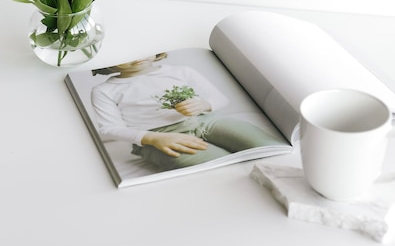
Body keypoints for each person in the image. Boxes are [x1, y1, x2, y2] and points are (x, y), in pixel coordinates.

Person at [91, 53, 284, 172]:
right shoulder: (104, 90)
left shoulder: (182, 71)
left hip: (207, 120)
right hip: (159, 138)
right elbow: (109, 128)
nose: (136, 54)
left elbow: (220, 99)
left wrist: (204, 104)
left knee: (268, 147)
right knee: (219, 167)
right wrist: (152, 138)